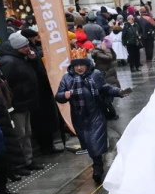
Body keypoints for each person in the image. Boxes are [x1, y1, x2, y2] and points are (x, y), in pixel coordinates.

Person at [55, 48, 128, 185]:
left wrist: (119, 92)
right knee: (89, 144)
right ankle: (97, 162)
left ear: (87, 64)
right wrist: (63, 96)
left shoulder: (96, 74)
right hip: (79, 117)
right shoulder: (67, 78)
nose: (79, 68)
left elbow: (106, 88)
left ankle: (97, 167)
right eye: (76, 65)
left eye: (82, 64)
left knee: (95, 142)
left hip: (96, 114)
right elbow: (58, 96)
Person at [0, 34, 42, 171]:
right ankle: (19, 163)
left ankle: (28, 160)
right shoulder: (9, 62)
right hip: (18, 103)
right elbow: (6, 85)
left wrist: (33, 60)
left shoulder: (21, 58)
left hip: (26, 102)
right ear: (17, 47)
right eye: (25, 46)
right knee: (20, 133)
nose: (29, 48)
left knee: (27, 132)